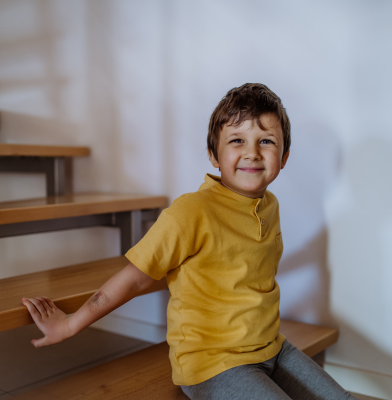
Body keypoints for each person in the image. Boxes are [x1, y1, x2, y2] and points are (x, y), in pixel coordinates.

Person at [22, 83, 355, 400]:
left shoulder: (269, 205)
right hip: (214, 364)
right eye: (237, 140)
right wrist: (69, 324)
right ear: (213, 153)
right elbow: (135, 280)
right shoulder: (192, 211)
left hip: (271, 347)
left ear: (283, 157)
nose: (252, 153)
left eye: (266, 141)